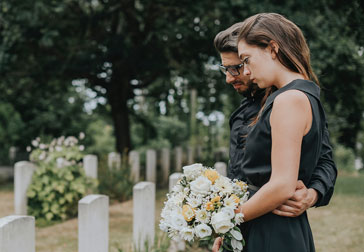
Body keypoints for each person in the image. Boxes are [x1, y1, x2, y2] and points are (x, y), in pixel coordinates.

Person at [212, 13, 336, 251]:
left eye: (243, 63)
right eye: (225, 69)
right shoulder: (285, 98)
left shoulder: (289, 100)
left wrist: (225, 219)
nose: (240, 74)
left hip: (272, 225)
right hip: (251, 222)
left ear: (272, 49)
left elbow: (284, 183)